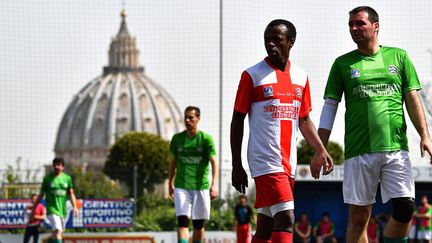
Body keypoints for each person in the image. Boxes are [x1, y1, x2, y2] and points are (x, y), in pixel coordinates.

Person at [318, 5, 432, 243]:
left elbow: (412, 99)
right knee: (359, 218)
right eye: (351, 24)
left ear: (376, 26)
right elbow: (330, 106)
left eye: (360, 23)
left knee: (405, 209)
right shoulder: (343, 64)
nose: (354, 28)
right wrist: (320, 148)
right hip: (359, 151)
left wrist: (425, 135)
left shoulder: (398, 57)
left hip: (396, 148)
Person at [230, 19, 333, 243]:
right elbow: (237, 119)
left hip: (289, 162)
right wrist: (237, 165)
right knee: (287, 216)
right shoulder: (252, 75)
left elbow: (304, 120)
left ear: (291, 42)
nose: (271, 44)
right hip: (265, 159)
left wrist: (320, 149)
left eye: (277, 40)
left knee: (266, 227)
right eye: (267, 40)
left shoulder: (301, 76)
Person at [169, 106, 219, 243]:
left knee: (198, 225)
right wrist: (170, 183)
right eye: (185, 117)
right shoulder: (177, 139)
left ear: (198, 119)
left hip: (201, 186)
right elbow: (172, 163)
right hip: (181, 186)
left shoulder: (206, 139)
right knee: (182, 221)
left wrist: (214, 184)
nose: (187, 120)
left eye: (191, 117)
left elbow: (214, 162)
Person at [30, 157, 78, 243]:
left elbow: (71, 194)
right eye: (56, 164)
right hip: (51, 210)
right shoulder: (47, 179)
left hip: (62, 211)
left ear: (63, 167)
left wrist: (75, 207)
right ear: (53, 166)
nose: (57, 167)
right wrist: (34, 208)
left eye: (59, 165)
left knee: (57, 234)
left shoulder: (67, 178)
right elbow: (41, 195)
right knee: (58, 230)